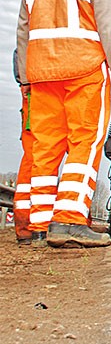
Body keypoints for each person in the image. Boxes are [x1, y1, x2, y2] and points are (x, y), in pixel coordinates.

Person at [15, 0, 111, 248]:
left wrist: (25, 77)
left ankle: (35, 225)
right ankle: (69, 221)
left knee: (44, 146)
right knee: (85, 142)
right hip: (83, 70)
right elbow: (108, 24)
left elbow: (23, 28)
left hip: (40, 73)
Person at [11, 51, 37, 246]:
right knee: (79, 156)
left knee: (32, 157)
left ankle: (26, 227)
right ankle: (72, 220)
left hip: (33, 91)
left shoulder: (33, 22)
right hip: (67, 91)